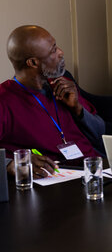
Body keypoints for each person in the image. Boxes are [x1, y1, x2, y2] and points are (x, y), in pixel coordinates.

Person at [1, 25, 105, 178]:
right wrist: (10, 165)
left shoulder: (62, 85)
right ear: (33, 63)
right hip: (54, 181)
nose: (61, 53)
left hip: (95, 169)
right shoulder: (4, 100)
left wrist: (77, 108)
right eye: (53, 50)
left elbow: (100, 132)